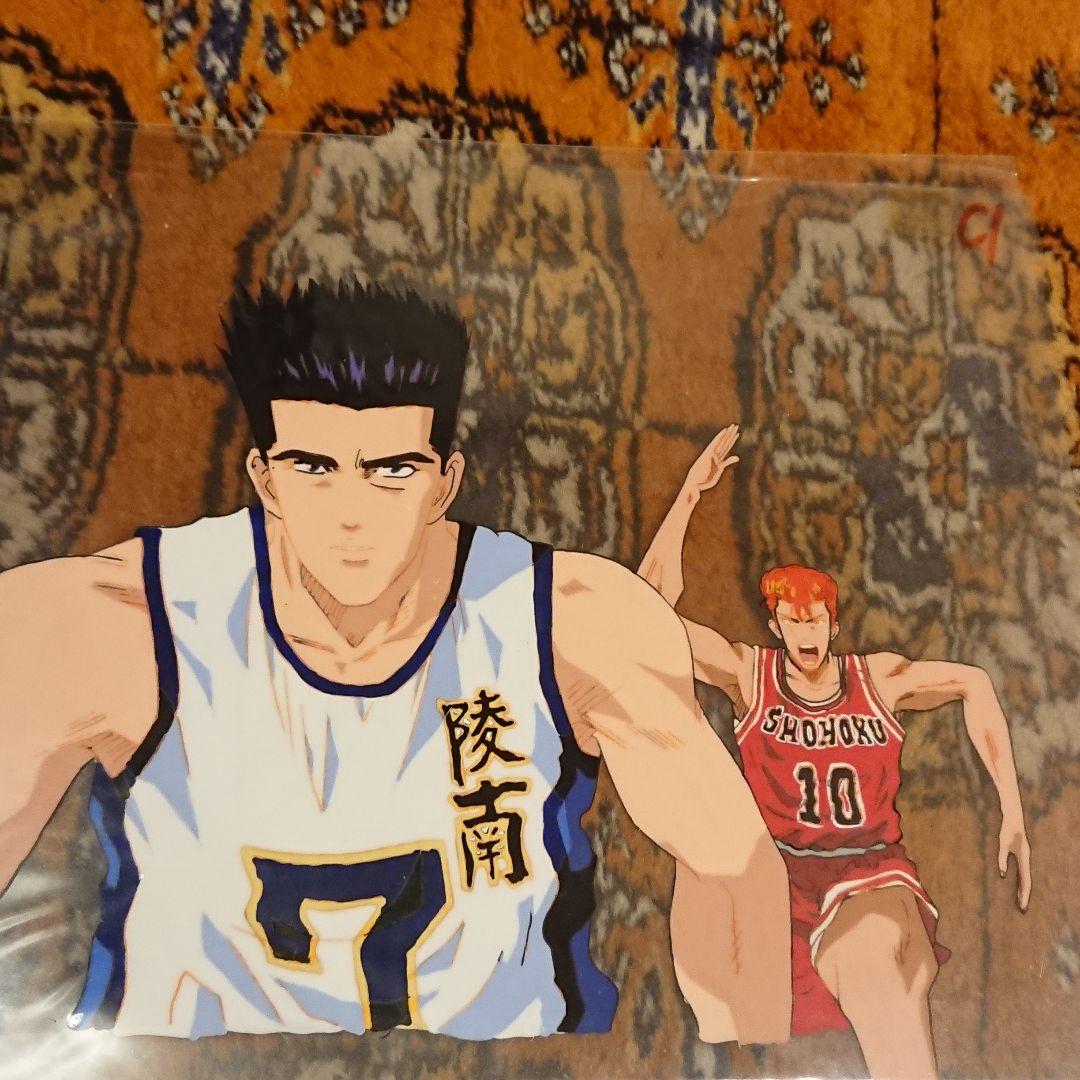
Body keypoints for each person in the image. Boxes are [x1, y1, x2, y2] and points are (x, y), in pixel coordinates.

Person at [0, 282, 790, 1043]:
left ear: (446, 483)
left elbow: (736, 872)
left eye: (392, 470)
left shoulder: (577, 621)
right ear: (263, 478)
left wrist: (750, 1053)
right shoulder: (105, 622)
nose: (353, 514)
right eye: (314, 467)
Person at [637, 425, 1032, 1080]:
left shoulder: (878, 679)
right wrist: (688, 496)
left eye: (815, 619)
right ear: (777, 626)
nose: (806, 631)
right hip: (779, 892)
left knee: (875, 956)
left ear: (833, 623)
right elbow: (643, 615)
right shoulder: (750, 675)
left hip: (869, 874)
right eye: (793, 620)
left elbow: (975, 682)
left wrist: (1012, 808)